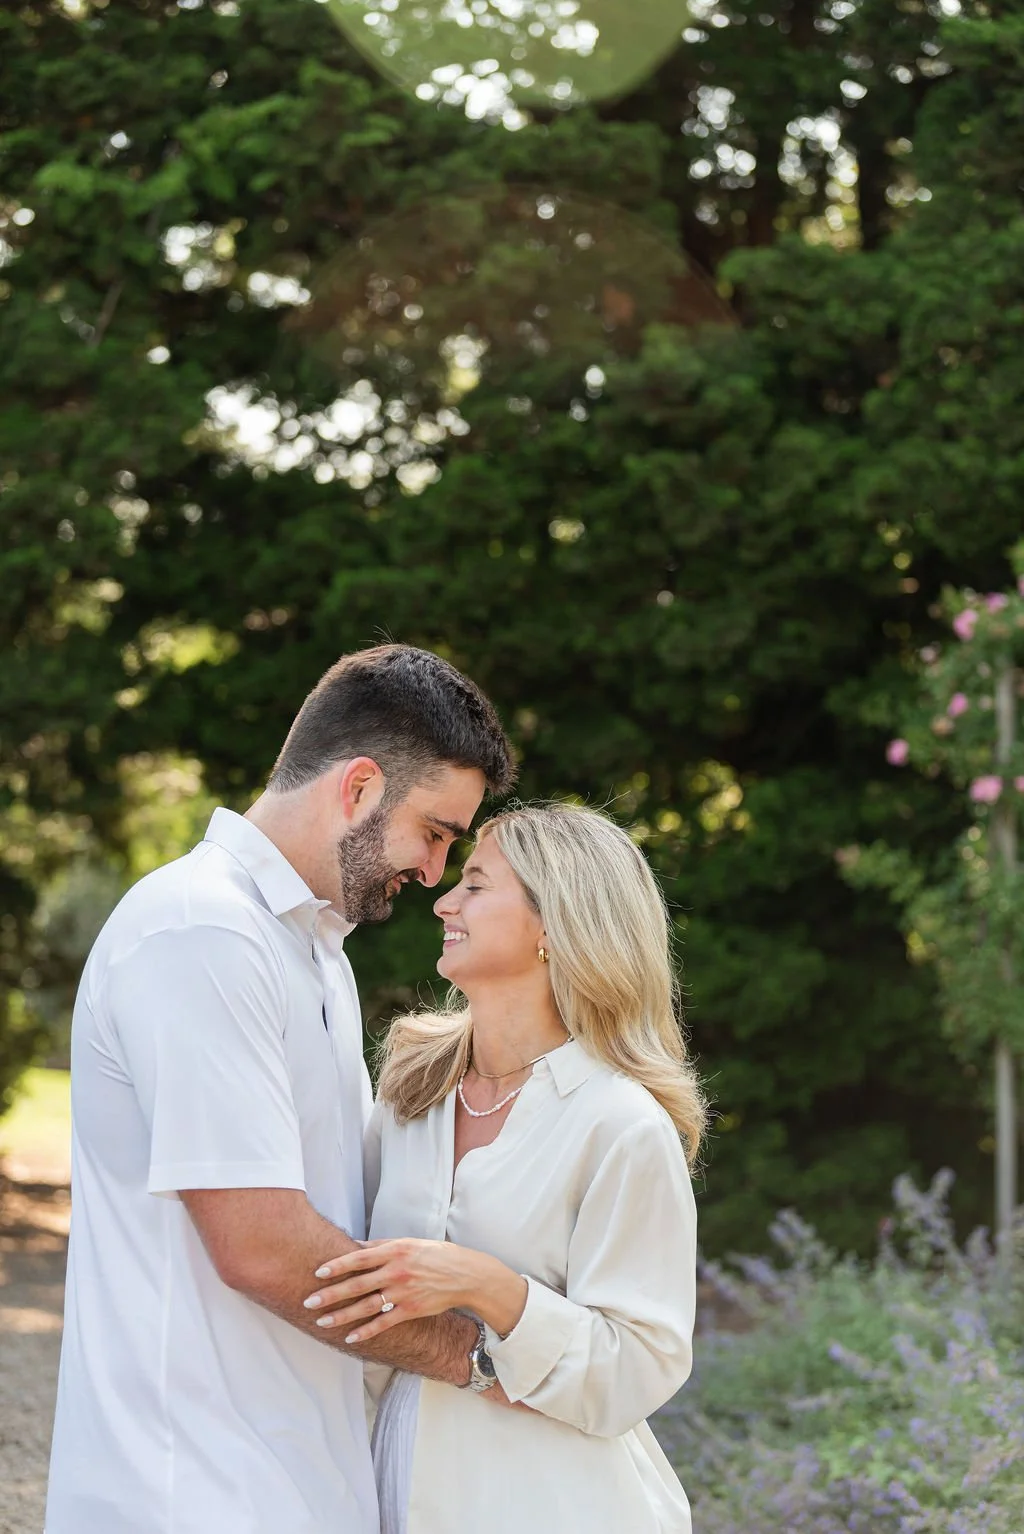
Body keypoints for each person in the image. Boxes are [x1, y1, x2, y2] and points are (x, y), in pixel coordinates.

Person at [45, 644, 515, 1534]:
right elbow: (262, 1244)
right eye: (437, 832)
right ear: (361, 787)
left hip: (288, 1480)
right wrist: (479, 1357)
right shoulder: (202, 931)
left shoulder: (311, 950)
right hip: (189, 1490)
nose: (433, 874)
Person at [302, 803, 705, 1534]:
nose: (444, 901)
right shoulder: (411, 1089)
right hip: (399, 1486)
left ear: (554, 925)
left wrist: (489, 1289)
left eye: (477, 885)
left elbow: (638, 1370)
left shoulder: (621, 1123)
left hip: (559, 1505)